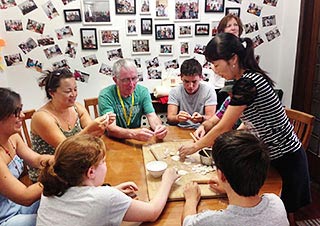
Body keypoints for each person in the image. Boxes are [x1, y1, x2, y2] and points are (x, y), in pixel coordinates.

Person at [179, 33, 311, 225]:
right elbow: (246, 121)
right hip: (270, 155)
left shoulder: (247, 83)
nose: (215, 71)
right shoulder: (245, 79)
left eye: (216, 65)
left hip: (286, 160)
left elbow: (224, 126)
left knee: (282, 214)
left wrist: (194, 147)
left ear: (233, 59)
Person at [36, 134, 179, 226]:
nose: (106, 165)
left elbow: (80, 204)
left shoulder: (52, 186)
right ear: (91, 172)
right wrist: (167, 180)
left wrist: (113, 191)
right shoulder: (105, 198)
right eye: (103, 162)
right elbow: (152, 212)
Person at [182, 130, 289, 226]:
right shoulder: (276, 202)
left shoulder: (211, 221)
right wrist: (229, 187)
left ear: (221, 176)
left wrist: (191, 200)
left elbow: (187, 222)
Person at [28, 68, 115, 183]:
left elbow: (92, 139)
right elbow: (66, 149)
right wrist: (90, 130)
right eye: (68, 91)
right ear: (51, 92)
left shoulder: (76, 108)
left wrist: (102, 125)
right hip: (50, 174)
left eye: (75, 89)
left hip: (73, 166)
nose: (73, 94)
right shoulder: (42, 117)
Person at [0, 87, 53, 226]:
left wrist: (56, 160)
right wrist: (57, 175)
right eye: (16, 112)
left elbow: (36, 160)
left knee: (60, 201)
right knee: (57, 218)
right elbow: (25, 197)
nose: (22, 115)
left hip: (17, 207)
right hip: (5, 219)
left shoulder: (13, 138)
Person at [98, 58, 167, 141]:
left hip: (135, 138)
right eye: (126, 80)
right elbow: (111, 129)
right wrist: (132, 133)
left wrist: (158, 128)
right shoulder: (105, 95)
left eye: (134, 78)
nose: (131, 84)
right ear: (115, 80)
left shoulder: (143, 91)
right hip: (113, 140)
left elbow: (151, 115)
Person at [167, 58, 217, 128]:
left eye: (194, 82)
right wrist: (177, 118)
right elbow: (170, 118)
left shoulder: (209, 91)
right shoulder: (175, 91)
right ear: (181, 77)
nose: (190, 86)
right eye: (186, 81)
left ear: (200, 77)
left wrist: (202, 118)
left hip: (202, 128)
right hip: (180, 129)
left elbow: (212, 119)